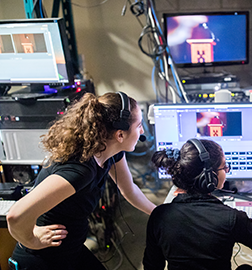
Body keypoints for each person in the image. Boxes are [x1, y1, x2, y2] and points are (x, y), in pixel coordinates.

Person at [7, 92, 157, 270]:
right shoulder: (79, 171)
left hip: (71, 250)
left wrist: (160, 214)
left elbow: (129, 189)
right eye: (139, 125)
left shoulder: (109, 151)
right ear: (120, 135)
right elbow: (15, 216)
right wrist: (32, 240)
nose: (141, 132)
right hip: (42, 260)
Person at [143, 139, 252, 270]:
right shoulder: (230, 217)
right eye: (224, 167)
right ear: (209, 177)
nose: (227, 171)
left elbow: (152, 265)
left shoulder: (159, 216)